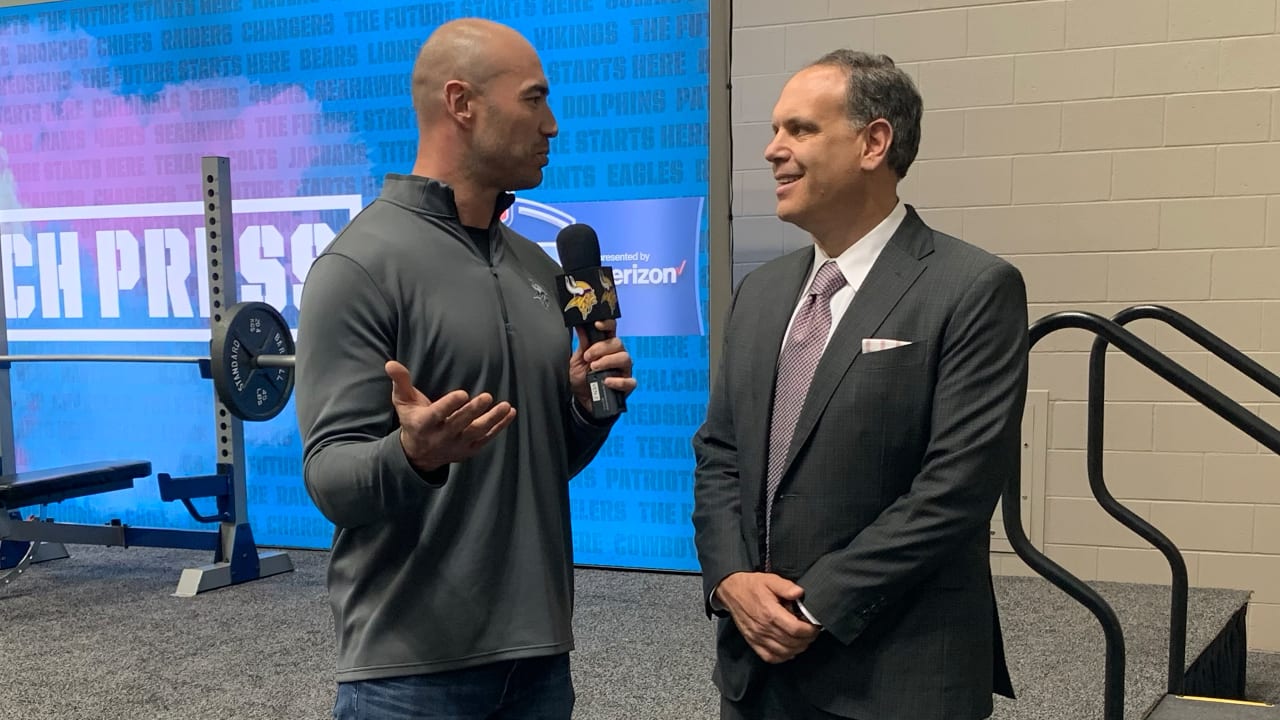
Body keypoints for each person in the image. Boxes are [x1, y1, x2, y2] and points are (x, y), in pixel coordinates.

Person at [294, 18, 635, 720]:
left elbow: (537, 465)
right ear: (461, 103)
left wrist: (580, 410)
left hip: (540, 661)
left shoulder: (537, 266)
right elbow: (330, 480)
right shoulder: (358, 267)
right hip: (408, 675)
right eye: (534, 99)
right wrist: (412, 456)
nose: (552, 124)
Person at [692, 49, 1027, 720]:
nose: (772, 150)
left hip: (894, 676)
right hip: (755, 671)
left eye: (799, 129)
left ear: (874, 143)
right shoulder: (760, 293)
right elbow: (721, 454)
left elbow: (955, 489)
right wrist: (729, 579)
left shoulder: (972, 288)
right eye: (774, 130)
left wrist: (813, 606)